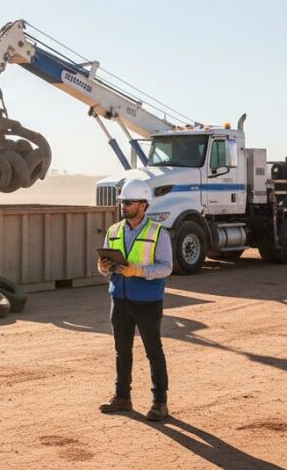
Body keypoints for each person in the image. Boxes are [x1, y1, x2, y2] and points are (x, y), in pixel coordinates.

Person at [97, 178, 173, 420]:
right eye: (122, 202)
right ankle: (122, 398)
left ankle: (160, 403)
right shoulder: (114, 230)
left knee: (153, 352)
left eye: (128, 202)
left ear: (143, 205)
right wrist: (103, 266)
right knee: (122, 351)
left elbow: (166, 267)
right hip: (119, 299)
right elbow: (105, 267)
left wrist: (138, 271)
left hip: (148, 301)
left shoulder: (158, 233)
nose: (123, 206)